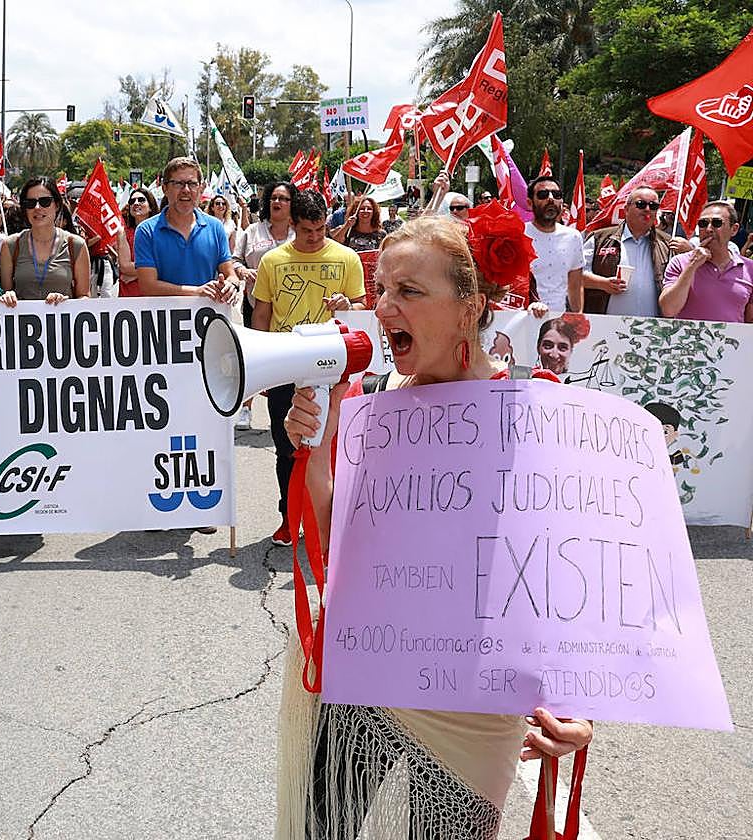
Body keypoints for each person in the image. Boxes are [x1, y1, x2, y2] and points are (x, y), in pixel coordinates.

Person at [281, 215, 592, 838]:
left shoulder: (535, 410)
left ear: (470, 306)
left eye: (410, 292)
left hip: (474, 706)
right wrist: (317, 443)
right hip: (369, 679)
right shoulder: (380, 401)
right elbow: (336, 534)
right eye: (382, 290)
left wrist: (577, 702)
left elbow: (573, 569)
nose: (386, 307)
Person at [253, 189, 365, 546]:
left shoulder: (347, 258)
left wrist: (348, 304)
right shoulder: (272, 261)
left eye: (320, 230)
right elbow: (262, 315)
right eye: (306, 231)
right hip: (285, 365)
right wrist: (258, 366)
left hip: (334, 370)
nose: (315, 238)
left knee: (328, 448)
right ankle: (290, 518)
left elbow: (362, 308)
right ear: (292, 226)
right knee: (287, 448)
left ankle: (327, 521)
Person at [231, 181, 296, 430]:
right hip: (255, 304)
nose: (277, 203)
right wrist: (243, 270)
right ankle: (246, 408)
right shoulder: (252, 232)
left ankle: (287, 412)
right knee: (254, 358)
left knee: (286, 360)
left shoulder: (297, 233)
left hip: (290, 308)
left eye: (284, 199)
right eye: (274, 198)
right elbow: (234, 260)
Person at [134, 156, 240, 304]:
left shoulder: (216, 228)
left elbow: (230, 274)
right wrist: (196, 292)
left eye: (192, 183)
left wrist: (231, 285)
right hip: (164, 322)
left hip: (207, 321)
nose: (186, 190)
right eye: (178, 184)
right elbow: (148, 286)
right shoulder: (146, 231)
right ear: (165, 188)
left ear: (201, 188)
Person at [581, 187, 671, 316]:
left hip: (652, 330)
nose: (647, 209)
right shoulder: (599, 239)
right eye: (641, 204)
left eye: (653, 206)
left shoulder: (667, 243)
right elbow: (577, 275)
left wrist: (688, 250)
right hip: (604, 327)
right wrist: (603, 283)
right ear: (626, 209)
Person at [660, 200, 753, 323]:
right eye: (703, 223)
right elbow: (668, 309)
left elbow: (750, 321)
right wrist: (692, 265)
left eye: (717, 223)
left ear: (734, 229)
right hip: (689, 341)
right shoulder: (680, 262)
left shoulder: (749, 268)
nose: (709, 229)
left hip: (730, 341)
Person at [0, 177, 89, 304]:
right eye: (30, 203)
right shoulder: (10, 245)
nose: (37, 207)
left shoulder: (75, 245)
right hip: (22, 322)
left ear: (57, 205)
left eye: (45, 201)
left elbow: (84, 297)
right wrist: (8, 295)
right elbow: (4, 293)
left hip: (62, 322)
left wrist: (65, 301)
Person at [525, 177, 585, 312]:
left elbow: (575, 285)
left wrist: (578, 317)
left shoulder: (573, 237)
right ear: (530, 203)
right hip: (523, 317)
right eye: (543, 195)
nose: (551, 199)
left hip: (559, 321)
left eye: (556, 195)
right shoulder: (519, 234)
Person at [115, 187, 160, 297]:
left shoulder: (162, 232)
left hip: (155, 294)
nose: (136, 203)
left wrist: (135, 274)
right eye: (132, 201)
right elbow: (125, 266)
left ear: (150, 206)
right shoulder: (123, 232)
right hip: (130, 295)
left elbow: (169, 264)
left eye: (141, 200)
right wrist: (155, 269)